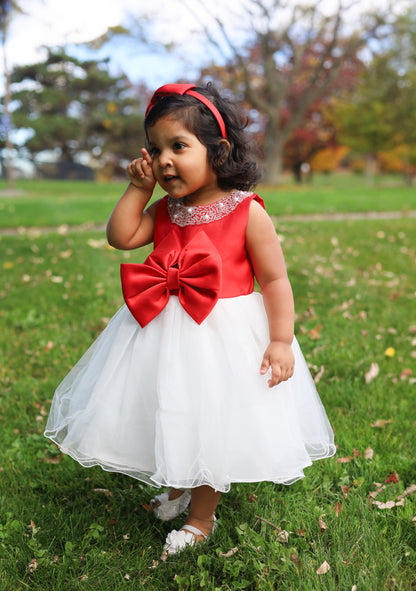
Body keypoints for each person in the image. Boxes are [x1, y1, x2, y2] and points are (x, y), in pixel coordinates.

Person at [45, 83, 335, 555]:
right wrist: (138, 189)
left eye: (178, 147)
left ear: (218, 152)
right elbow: (121, 237)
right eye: (155, 149)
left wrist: (280, 341)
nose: (163, 160)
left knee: (211, 420)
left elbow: (276, 282)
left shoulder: (247, 212)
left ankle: (202, 519)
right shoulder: (165, 210)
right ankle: (179, 487)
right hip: (163, 329)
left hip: (221, 337)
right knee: (169, 407)